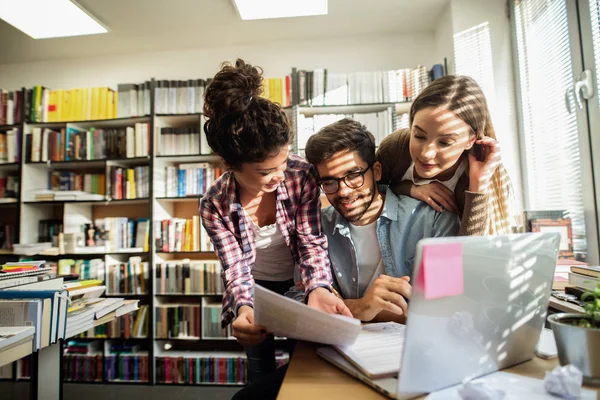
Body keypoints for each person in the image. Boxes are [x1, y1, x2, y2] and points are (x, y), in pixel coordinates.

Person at [199, 59, 351, 387]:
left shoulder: (301, 174)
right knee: (259, 370)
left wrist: (319, 287)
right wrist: (242, 308)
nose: (279, 176)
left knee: (310, 361)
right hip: (254, 288)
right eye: (266, 172)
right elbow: (234, 267)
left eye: (282, 162)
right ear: (230, 165)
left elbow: (311, 240)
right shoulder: (215, 205)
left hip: (300, 280)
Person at [294, 118, 460, 322]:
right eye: (329, 182)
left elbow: (448, 304)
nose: (344, 191)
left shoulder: (433, 219)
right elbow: (298, 300)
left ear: (377, 171)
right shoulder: (316, 229)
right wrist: (361, 307)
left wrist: (351, 307)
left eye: (353, 175)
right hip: (339, 347)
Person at [377, 75, 515, 236]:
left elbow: (470, 252)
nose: (426, 154)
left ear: (471, 140)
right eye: (419, 136)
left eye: (444, 143)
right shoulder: (396, 147)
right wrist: (412, 189)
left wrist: (478, 187)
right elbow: (365, 192)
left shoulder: (480, 176)